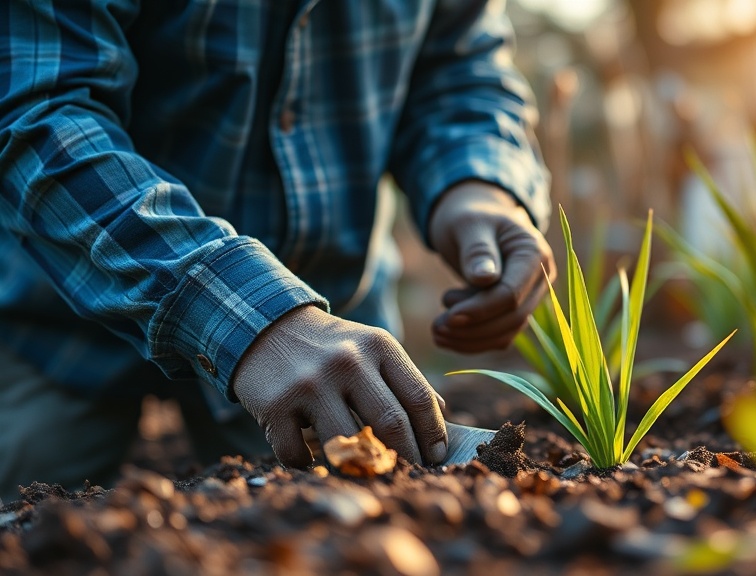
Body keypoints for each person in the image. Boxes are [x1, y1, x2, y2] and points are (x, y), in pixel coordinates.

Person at [0, 0, 554, 503]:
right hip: (62, 322)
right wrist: (252, 317)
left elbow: (459, 69)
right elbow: (39, 112)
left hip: (325, 347)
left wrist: (476, 186)